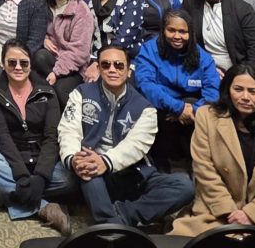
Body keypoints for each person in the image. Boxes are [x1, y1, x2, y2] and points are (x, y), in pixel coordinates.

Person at [58, 44, 195, 227]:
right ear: (98, 68)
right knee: (88, 170)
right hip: (95, 173)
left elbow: (136, 146)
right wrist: (74, 158)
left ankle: (123, 215)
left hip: (134, 174)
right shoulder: (81, 93)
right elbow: (68, 130)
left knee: (185, 186)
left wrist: (106, 161)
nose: (112, 69)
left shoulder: (145, 108)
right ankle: (111, 227)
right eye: (106, 65)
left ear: (129, 71)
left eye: (119, 65)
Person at [171, 63, 255, 238]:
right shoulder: (206, 117)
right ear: (227, 91)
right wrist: (230, 212)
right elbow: (204, 171)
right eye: (238, 89)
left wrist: (251, 215)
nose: (245, 97)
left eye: (252, 91)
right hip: (215, 212)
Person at [0, 41, 72, 233]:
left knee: (70, 178)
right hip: (10, 160)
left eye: (24, 62)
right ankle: (45, 207)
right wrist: (22, 175)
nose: (18, 67)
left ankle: (7, 193)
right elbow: (2, 136)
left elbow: (51, 137)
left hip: (42, 160)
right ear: (3, 64)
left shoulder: (47, 90)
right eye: (12, 62)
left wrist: (40, 177)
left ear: (31, 64)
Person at [134, 9, 220, 168]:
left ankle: (199, 164)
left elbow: (213, 92)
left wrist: (193, 110)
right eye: (171, 30)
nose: (177, 36)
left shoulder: (202, 57)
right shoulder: (149, 50)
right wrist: (177, 108)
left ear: (190, 33)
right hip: (161, 106)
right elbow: (146, 85)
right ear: (163, 30)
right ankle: (163, 166)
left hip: (192, 110)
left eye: (182, 32)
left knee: (208, 113)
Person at [36, 0, 95, 105]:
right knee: (40, 57)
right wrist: (44, 39)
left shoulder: (81, 10)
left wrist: (56, 72)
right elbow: (36, 30)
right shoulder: (45, 5)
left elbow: (79, 52)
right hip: (53, 59)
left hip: (75, 66)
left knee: (60, 88)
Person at [81, 0, 150, 74]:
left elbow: (122, 40)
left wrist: (99, 64)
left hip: (122, 58)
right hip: (88, 58)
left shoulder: (131, 0)